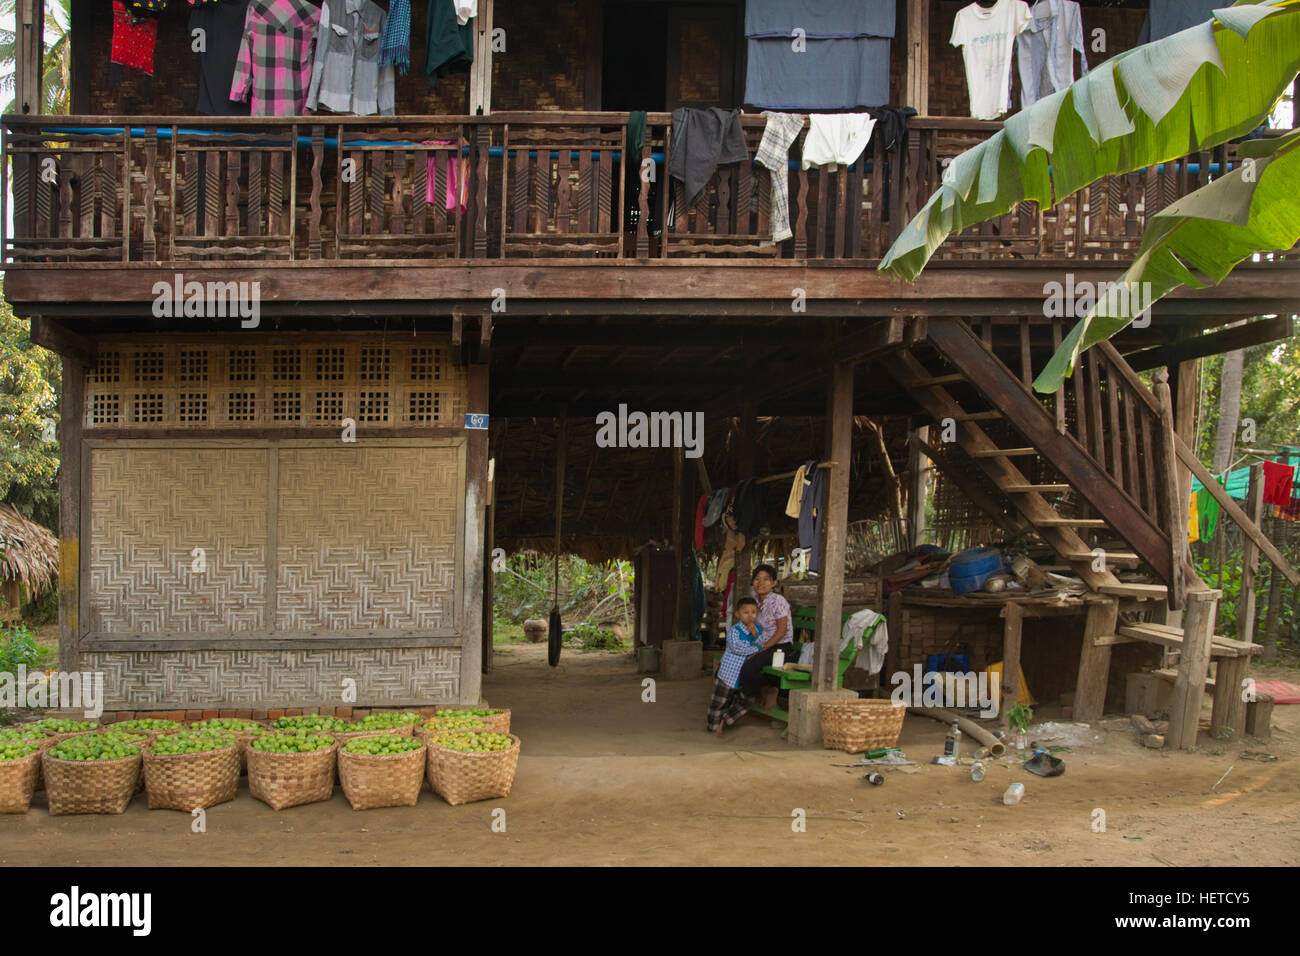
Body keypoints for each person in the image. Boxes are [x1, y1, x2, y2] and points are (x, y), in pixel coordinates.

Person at [738, 564, 794, 710]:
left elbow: (781, 631)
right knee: (732, 661)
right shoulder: (755, 601)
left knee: (748, 667)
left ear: (774, 583)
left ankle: (767, 690)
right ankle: (764, 689)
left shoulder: (778, 601)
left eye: (766, 579)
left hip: (780, 647)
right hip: (762, 644)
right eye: (757, 579)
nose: (760, 583)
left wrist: (760, 648)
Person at [707, 598, 764, 734]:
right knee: (719, 702)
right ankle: (712, 728)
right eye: (746, 612)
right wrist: (757, 648)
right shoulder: (735, 631)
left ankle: (726, 720)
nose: (750, 616)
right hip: (728, 673)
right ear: (738, 614)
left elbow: (764, 644)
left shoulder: (759, 630)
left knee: (747, 700)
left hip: (744, 675)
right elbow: (738, 648)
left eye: (753, 612)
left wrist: (756, 636)